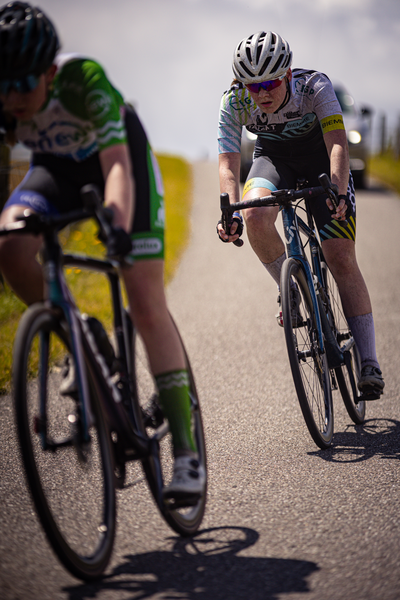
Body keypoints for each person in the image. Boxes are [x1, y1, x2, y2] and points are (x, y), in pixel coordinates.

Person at [0, 1, 205, 501]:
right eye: (3, 86)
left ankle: (186, 454)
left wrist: (113, 220)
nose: (14, 98)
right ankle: (80, 330)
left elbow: (117, 165)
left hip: (120, 167)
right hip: (56, 171)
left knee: (144, 299)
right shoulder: (6, 97)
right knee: (10, 246)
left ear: (49, 71)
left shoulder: (84, 79)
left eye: (24, 85)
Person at [217, 30, 384, 398]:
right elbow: (229, 167)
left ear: (288, 74)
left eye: (271, 83)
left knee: (339, 254)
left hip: (321, 160)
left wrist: (338, 190)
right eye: (252, 86)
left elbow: (337, 145)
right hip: (274, 160)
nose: (261, 94)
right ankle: (289, 288)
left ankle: (369, 361)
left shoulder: (315, 87)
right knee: (255, 217)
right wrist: (227, 210)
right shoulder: (233, 102)